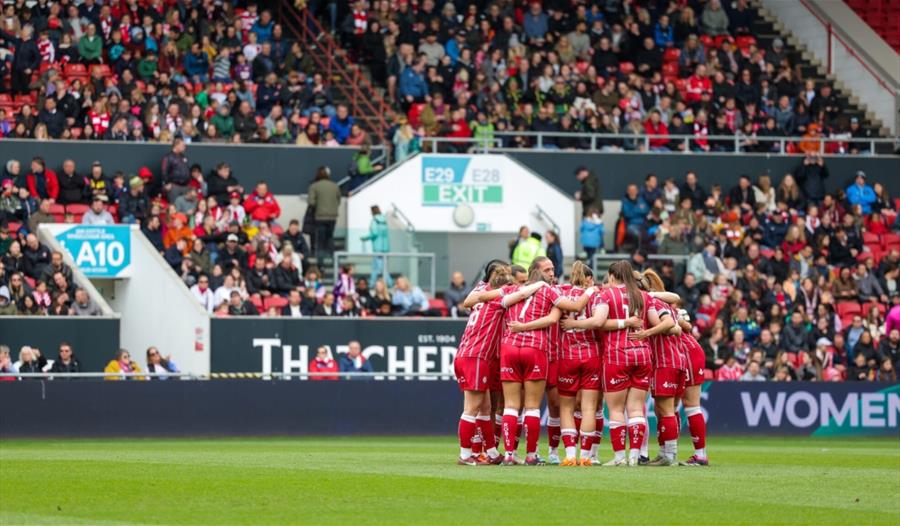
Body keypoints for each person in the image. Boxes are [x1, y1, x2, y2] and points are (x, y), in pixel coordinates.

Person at [562, 260, 668, 466]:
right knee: (636, 408)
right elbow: (662, 323)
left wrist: (574, 323)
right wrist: (646, 332)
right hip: (643, 355)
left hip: (617, 355)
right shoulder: (643, 296)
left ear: (611, 276)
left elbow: (598, 322)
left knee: (617, 409)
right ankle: (635, 456)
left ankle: (620, 457)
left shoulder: (606, 295)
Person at [497, 257, 594, 465]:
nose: (552, 273)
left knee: (511, 406)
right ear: (536, 271)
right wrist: (591, 290)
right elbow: (574, 306)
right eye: (547, 270)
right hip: (535, 349)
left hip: (509, 346)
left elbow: (487, 300)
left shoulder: (511, 291)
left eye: (553, 269)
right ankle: (531, 455)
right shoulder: (550, 292)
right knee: (532, 406)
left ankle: (509, 455)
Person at [453, 263, 551, 465]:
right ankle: (465, 455)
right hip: (477, 357)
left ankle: (491, 452)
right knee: (471, 408)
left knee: (485, 407)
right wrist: (540, 284)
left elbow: (473, 298)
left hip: (465, 354)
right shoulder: (498, 303)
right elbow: (522, 294)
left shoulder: (480, 297)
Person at [307, 166, 341, 263]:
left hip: (320, 216)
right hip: (332, 216)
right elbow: (338, 200)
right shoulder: (335, 186)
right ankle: (333, 260)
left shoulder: (314, 186)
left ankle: (320, 264)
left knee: (320, 241)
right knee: (330, 237)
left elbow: (311, 202)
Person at [360, 205, 390, 285]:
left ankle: (389, 282)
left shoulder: (374, 221)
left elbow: (374, 233)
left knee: (379, 267)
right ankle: (371, 283)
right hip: (385, 248)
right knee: (377, 266)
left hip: (377, 247)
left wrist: (364, 238)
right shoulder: (384, 221)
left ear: (372, 211)